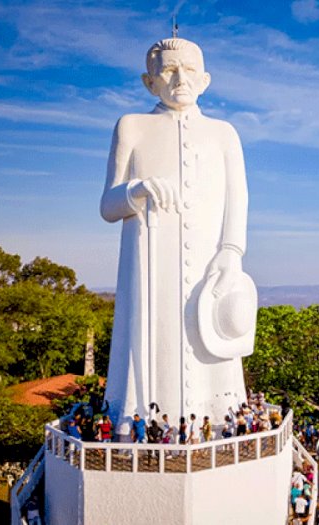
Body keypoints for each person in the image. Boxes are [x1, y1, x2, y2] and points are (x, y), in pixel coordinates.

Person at [101, 36, 255, 437]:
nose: (179, 78)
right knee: (152, 344)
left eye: (188, 69)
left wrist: (232, 251)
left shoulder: (224, 133)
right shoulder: (131, 126)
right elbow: (107, 205)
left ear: (205, 79)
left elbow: (238, 197)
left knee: (211, 345)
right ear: (149, 82)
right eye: (168, 70)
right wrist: (136, 190)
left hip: (209, 264)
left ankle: (220, 420)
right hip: (151, 267)